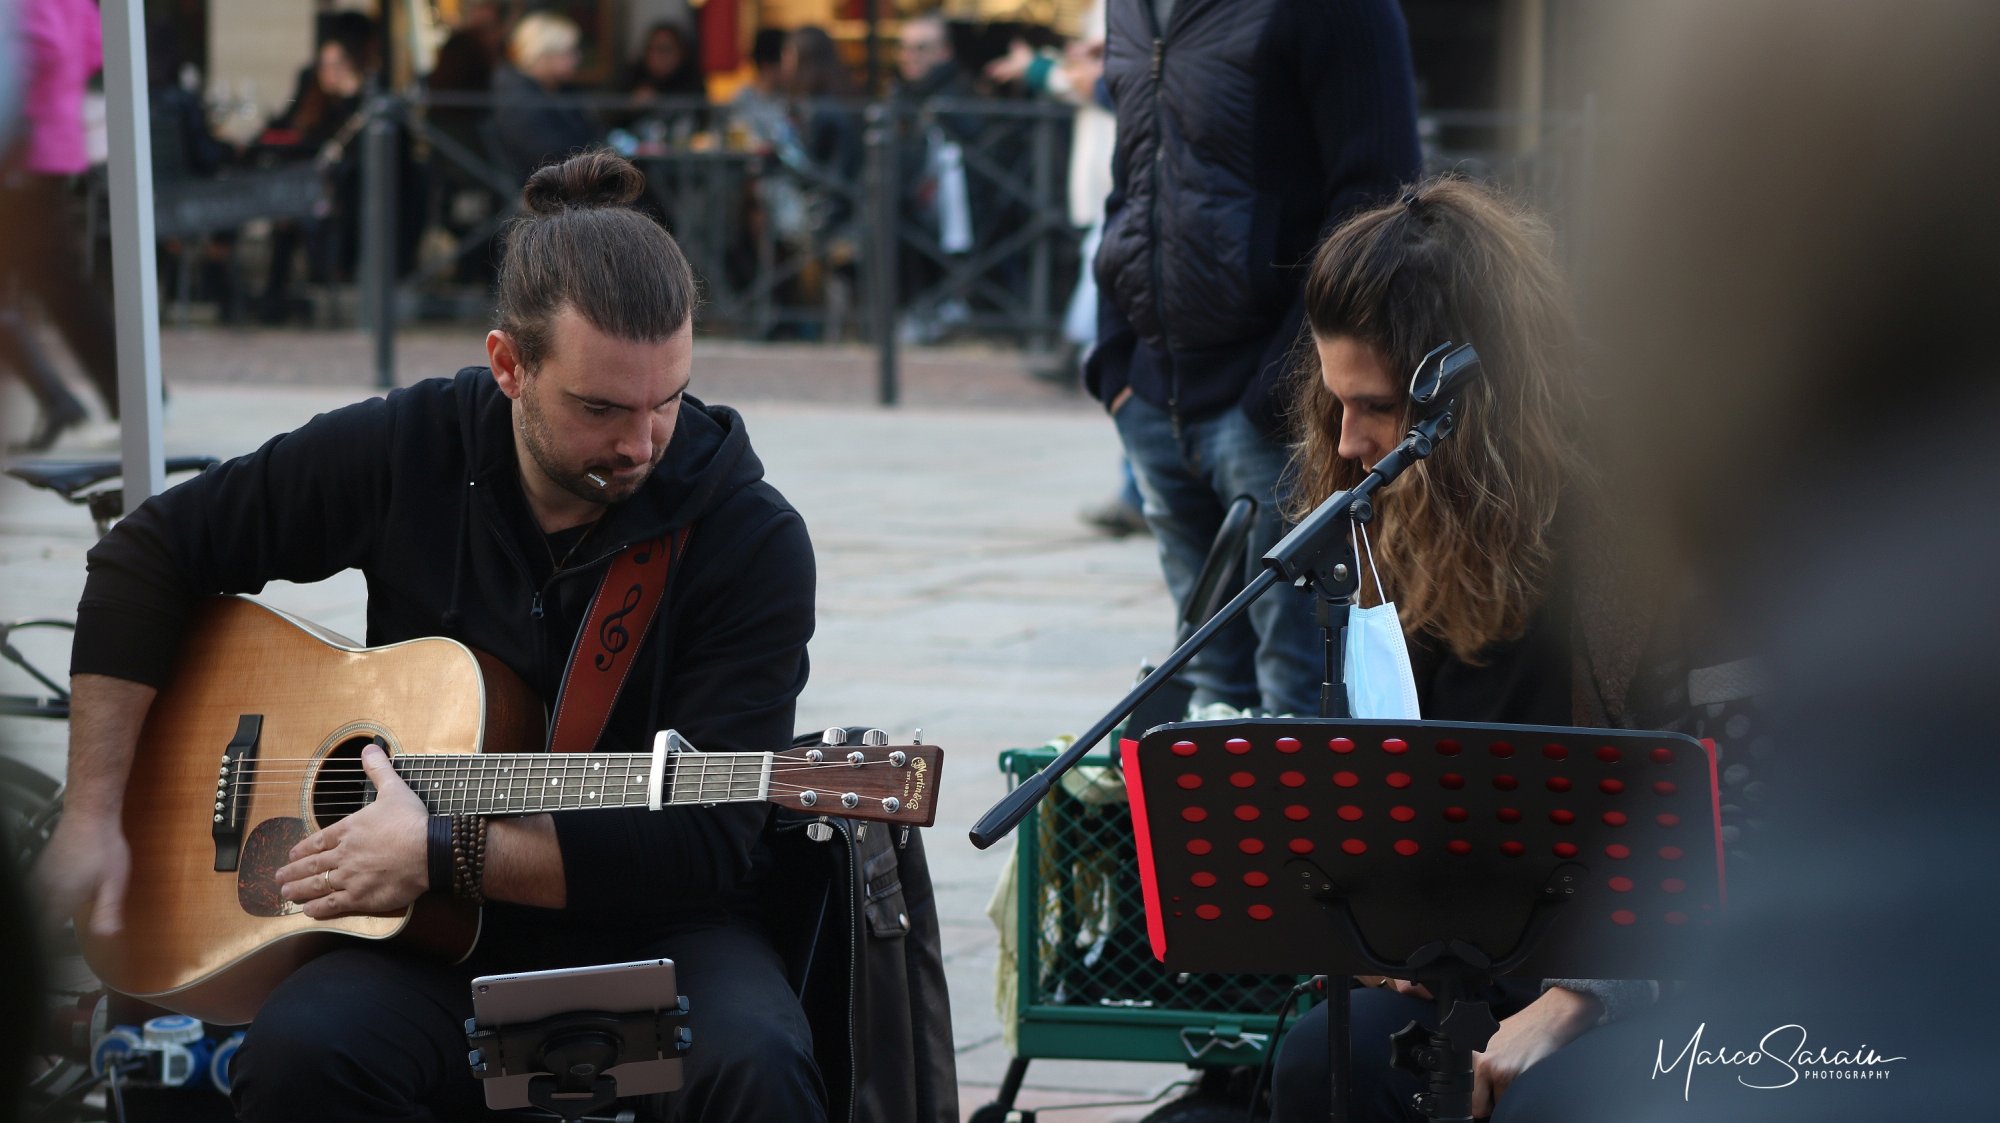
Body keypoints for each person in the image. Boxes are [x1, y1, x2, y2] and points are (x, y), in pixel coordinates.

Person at [32, 151, 826, 1122]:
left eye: (667, 401)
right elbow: (148, 555)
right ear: (508, 366)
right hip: (432, 938)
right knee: (300, 1054)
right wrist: (93, 814)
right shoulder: (411, 445)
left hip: (656, 925)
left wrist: (441, 850)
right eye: (600, 408)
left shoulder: (749, 537)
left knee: (759, 1069)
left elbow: (706, 839)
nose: (640, 445)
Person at [1264, 178, 1682, 1121]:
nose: (1349, 442)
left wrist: (1582, 1000)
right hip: (1463, 967)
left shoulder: (1647, 538)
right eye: (1334, 402)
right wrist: (1382, 928)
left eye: (1374, 407)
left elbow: (1744, 816)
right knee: (1319, 1067)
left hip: (1639, 971)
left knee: (1555, 1099)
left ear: (1474, 396)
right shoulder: (1389, 526)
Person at [1089, 0, 1421, 718]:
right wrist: (1115, 363)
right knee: (1209, 700)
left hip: (1275, 402)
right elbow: (1133, 180)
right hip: (1153, 389)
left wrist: (1285, 385)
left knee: (1298, 693)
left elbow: (1377, 200)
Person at [0, 0, 122, 448]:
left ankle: (64, 399)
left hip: (24, 149)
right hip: (56, 144)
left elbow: (39, 51)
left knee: (59, 284)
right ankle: (111, 391)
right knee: (60, 283)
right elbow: (93, 49)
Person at [492, 12, 603, 178]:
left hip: (574, 181)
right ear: (542, 54)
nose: (577, 58)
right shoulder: (519, 101)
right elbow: (549, 157)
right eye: (569, 52)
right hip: (549, 190)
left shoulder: (559, 90)